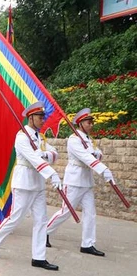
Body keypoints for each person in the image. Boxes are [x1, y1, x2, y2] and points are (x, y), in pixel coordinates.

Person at [0, 101, 61, 271]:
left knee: (41, 220)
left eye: (44, 117)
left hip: (38, 184)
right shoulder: (21, 137)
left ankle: (39, 257)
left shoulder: (39, 138)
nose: (43, 120)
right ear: (31, 118)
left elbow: (54, 153)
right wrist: (52, 173)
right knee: (16, 217)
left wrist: (43, 154)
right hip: (24, 182)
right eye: (40, 117)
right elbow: (33, 159)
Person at [46, 108, 114, 257]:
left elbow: (98, 154)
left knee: (90, 213)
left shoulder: (89, 140)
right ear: (80, 123)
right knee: (66, 212)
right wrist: (103, 170)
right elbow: (87, 158)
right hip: (74, 180)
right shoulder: (74, 140)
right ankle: (44, 232)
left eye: (91, 122)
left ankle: (87, 244)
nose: (91, 124)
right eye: (88, 122)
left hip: (87, 181)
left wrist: (95, 154)